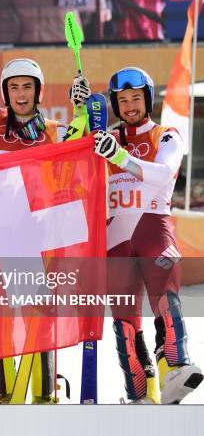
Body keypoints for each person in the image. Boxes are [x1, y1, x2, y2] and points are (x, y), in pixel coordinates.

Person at [0, 53, 90, 403]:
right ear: (5, 92)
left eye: (28, 86)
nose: (21, 93)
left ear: (38, 91)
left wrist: (84, 108)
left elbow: (83, 151)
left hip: (35, 237)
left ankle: (44, 395)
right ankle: (4, 392)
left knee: (38, 316)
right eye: (14, 87)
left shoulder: (55, 132)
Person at [92, 67, 202, 404]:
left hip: (153, 230)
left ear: (148, 99)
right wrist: (81, 113)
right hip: (115, 243)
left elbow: (164, 172)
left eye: (135, 98)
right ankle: (140, 392)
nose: (129, 106)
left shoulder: (166, 134)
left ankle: (177, 368)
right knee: (125, 323)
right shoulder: (104, 141)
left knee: (164, 299)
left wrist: (119, 157)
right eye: (122, 100)